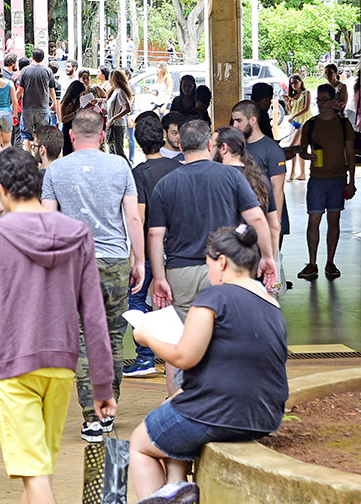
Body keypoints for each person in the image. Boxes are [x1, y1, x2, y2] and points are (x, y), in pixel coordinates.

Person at [0, 147, 116, 502]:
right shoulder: (77, 233)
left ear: (1, 189)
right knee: (38, 472)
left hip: (14, 367)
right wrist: (102, 387)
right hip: (62, 368)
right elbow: (95, 316)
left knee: (35, 476)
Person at [129, 225, 288, 504]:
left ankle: (169, 493)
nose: (209, 272)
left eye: (209, 265)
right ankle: (177, 488)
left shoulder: (214, 297)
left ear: (222, 262)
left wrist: (148, 338)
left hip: (218, 414)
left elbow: (183, 357)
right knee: (175, 405)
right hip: (265, 416)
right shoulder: (270, 303)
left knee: (141, 444)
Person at [147, 120, 277, 393]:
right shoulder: (231, 177)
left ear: (180, 146)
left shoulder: (165, 184)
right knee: (228, 334)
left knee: (179, 337)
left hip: (180, 271)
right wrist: (268, 257)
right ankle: (226, 398)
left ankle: (178, 403)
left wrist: (159, 277)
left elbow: (155, 235)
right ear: (209, 145)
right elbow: (255, 217)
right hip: (224, 268)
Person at [42, 109, 145, 442]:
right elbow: (133, 219)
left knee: (83, 340)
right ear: (102, 135)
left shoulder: (56, 169)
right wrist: (139, 259)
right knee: (114, 337)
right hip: (115, 261)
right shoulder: (120, 166)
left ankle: (91, 418)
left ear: (71, 136)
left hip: (73, 263)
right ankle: (109, 410)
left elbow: (47, 224)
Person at [123, 116, 182, 378]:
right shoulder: (178, 168)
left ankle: (145, 356)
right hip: (179, 246)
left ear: (137, 141)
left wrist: (136, 257)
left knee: (137, 298)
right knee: (176, 299)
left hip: (150, 249)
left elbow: (141, 217)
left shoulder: (139, 174)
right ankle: (179, 351)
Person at [297, 83, 356, 281]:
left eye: (324, 100)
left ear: (333, 101)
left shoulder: (342, 124)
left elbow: (350, 153)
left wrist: (352, 181)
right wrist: (307, 156)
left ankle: (330, 261)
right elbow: (302, 150)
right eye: (318, 100)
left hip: (338, 178)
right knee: (313, 219)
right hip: (317, 180)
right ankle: (312, 263)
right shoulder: (311, 124)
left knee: (334, 220)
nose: (320, 104)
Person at [212, 126, 281, 274]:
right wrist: (269, 258)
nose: (210, 152)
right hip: (255, 260)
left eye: (212, 146)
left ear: (223, 148)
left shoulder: (217, 179)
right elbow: (274, 226)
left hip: (225, 258)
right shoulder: (261, 179)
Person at [231, 100, 286, 228]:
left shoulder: (272, 149)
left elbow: (277, 188)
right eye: (234, 121)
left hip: (265, 217)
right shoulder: (236, 147)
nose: (235, 125)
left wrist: (275, 223)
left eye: (239, 121)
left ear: (253, 120)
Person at [16, 49, 59, 151]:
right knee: (42, 136)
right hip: (43, 107)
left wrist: (13, 103)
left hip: (27, 108)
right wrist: (54, 103)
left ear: (32, 57)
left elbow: (20, 90)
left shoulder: (25, 70)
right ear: (43, 58)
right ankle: (41, 160)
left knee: (26, 136)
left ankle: (30, 159)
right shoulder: (48, 71)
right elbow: (52, 90)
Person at [284, 74, 312, 181]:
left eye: (295, 82)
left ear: (301, 82)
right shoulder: (294, 96)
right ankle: (298, 173)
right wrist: (288, 102)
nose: (293, 85)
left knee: (293, 146)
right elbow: (291, 111)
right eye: (291, 83)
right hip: (295, 123)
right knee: (298, 148)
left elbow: (307, 108)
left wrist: (294, 116)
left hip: (303, 123)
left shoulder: (306, 93)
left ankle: (297, 172)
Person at [105, 69, 132, 159]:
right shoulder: (114, 91)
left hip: (117, 125)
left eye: (110, 77)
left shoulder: (120, 92)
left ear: (114, 78)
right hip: (112, 125)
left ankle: (130, 170)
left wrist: (113, 119)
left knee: (118, 152)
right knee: (112, 151)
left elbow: (127, 108)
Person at [59, 80, 86, 156]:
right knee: (68, 152)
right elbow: (63, 119)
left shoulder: (79, 101)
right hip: (68, 129)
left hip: (78, 129)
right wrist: (75, 112)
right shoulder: (66, 103)